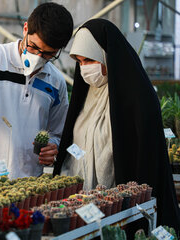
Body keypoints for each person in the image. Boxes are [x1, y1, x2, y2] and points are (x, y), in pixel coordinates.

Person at [53, 18, 180, 230]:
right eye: (80, 62)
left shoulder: (137, 96)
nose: (85, 69)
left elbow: (145, 160)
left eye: (90, 60)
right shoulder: (86, 96)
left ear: (106, 54)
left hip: (123, 209)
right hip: (83, 205)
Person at [0, 2, 73, 179]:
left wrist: (52, 147)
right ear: (25, 28)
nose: (38, 57)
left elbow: (57, 131)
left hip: (29, 180)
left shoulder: (56, 82)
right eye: (33, 47)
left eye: (48, 54)